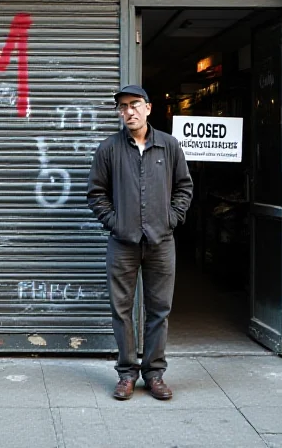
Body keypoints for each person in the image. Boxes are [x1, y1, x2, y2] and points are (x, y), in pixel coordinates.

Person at [87, 84, 193, 401]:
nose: (128, 111)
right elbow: (96, 194)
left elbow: (184, 189)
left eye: (134, 104)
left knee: (159, 310)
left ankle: (155, 374)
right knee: (121, 310)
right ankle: (127, 374)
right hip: (123, 243)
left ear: (148, 107)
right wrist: (116, 223)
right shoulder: (109, 149)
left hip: (161, 243)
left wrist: (170, 219)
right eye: (122, 107)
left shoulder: (169, 147)